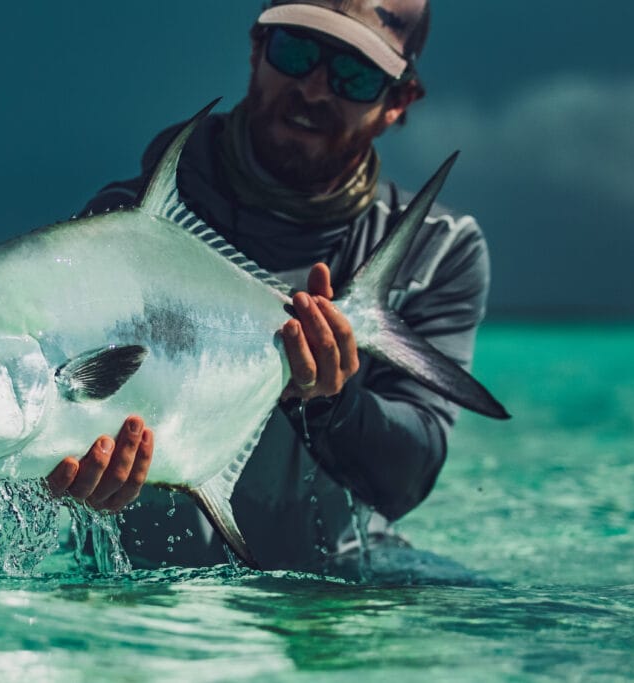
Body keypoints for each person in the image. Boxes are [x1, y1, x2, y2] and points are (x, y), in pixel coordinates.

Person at [45, 0, 491, 575]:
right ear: (257, 49)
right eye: (297, 51)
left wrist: (331, 401)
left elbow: (405, 479)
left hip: (328, 606)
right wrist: (72, 467)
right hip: (147, 604)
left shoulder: (440, 250)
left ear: (397, 102)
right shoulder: (122, 224)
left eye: (354, 74)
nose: (313, 89)